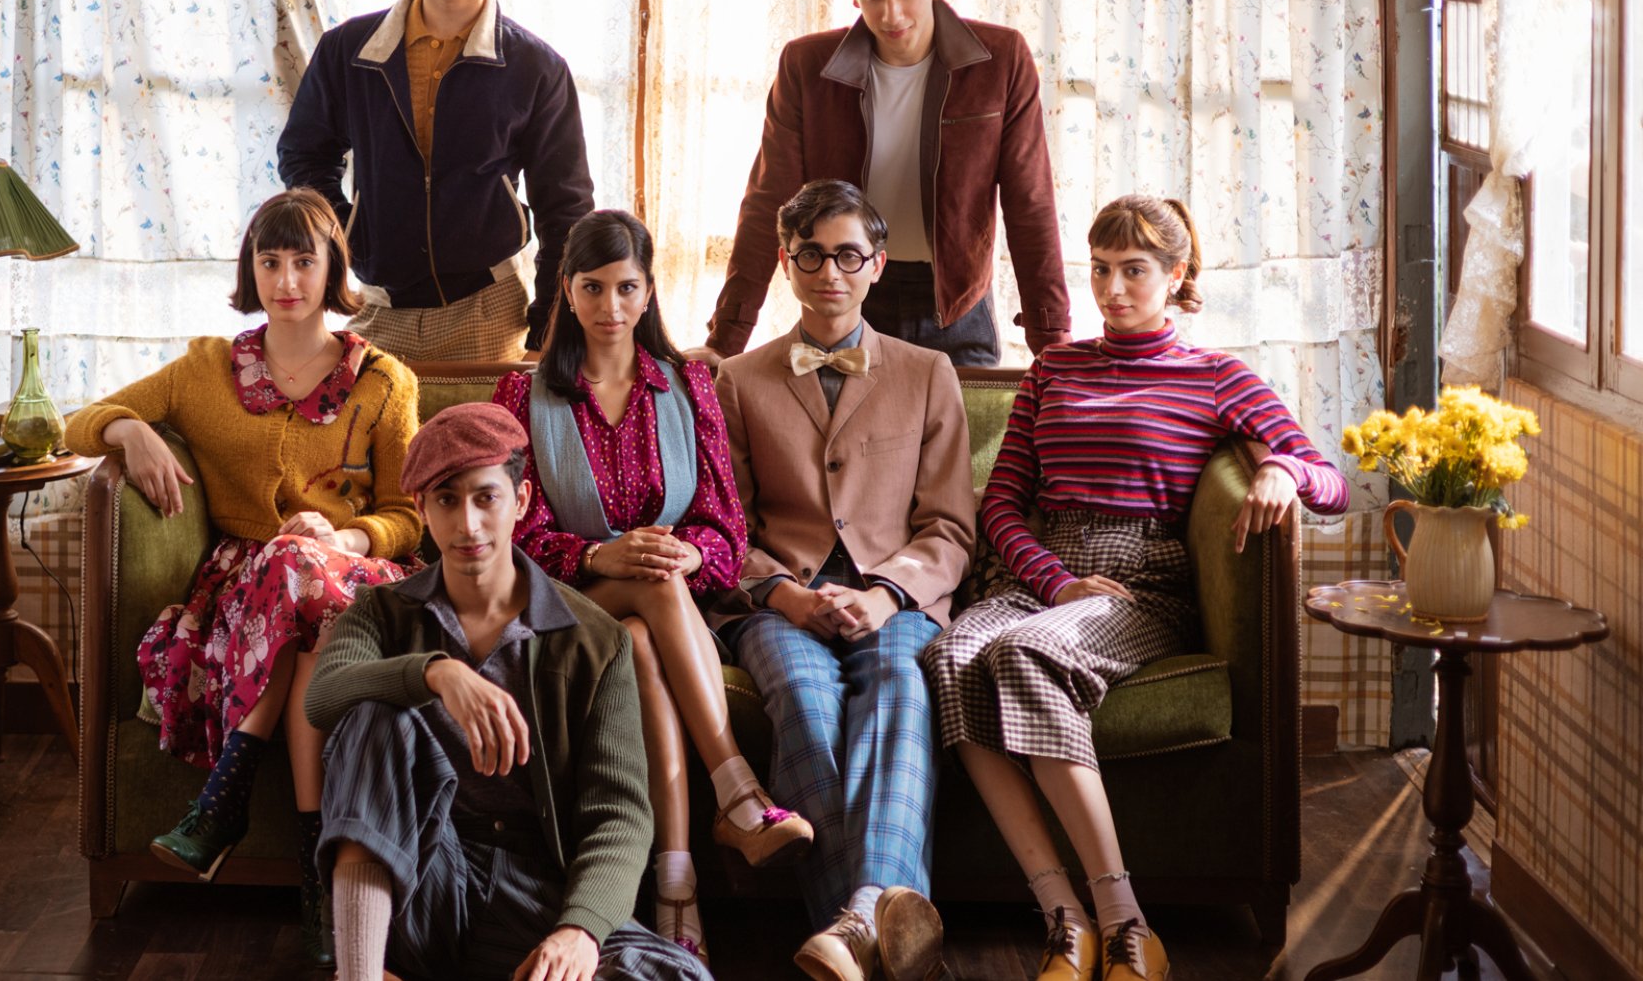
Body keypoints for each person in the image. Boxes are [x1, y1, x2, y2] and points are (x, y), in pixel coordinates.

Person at [921, 194, 1350, 981]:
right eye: (1102, 270)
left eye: (1134, 271)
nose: (1112, 289)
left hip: (1141, 583)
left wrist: (1281, 468)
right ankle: (1064, 917)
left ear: (1176, 275)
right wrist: (1053, 580)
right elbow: (1003, 504)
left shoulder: (1217, 375)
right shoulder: (1055, 367)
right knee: (949, 657)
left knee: (1023, 653)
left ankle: (1127, 923)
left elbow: (1332, 481)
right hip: (1046, 573)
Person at [62, 189, 422, 966]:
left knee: (298, 567)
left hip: (353, 574)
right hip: (254, 595)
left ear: (333, 270)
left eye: (303, 260)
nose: (286, 278)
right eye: (270, 260)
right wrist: (130, 430)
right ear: (249, 269)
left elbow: (409, 514)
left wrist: (346, 530)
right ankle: (314, 871)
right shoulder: (203, 371)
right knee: (295, 609)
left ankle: (223, 799)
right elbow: (76, 420)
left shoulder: (384, 381)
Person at [491, 210, 814, 963]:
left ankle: (677, 883)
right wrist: (601, 556)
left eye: (626, 287)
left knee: (646, 620)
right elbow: (509, 537)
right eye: (592, 287)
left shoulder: (688, 384)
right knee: (647, 587)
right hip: (561, 601)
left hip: (659, 611)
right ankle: (736, 790)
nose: (609, 306)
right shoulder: (523, 396)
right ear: (567, 293)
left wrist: (687, 557)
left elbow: (727, 532)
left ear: (647, 294)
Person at [303, 403, 711, 981]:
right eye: (446, 499)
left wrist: (580, 932)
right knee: (374, 714)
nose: (468, 524)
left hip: (533, 888)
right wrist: (435, 673)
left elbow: (618, 814)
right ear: (421, 509)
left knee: (677, 975)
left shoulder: (595, 639)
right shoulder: (381, 613)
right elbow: (323, 698)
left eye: (485, 497)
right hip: (415, 878)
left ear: (519, 502)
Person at [713, 180, 975, 981]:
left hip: (892, 600)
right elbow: (728, 530)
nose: (831, 271)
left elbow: (949, 526)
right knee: (803, 699)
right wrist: (784, 594)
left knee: (898, 686)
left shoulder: (929, 372)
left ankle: (853, 922)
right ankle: (876, 918)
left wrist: (886, 592)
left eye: (848, 255)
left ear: (876, 264)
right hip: (778, 601)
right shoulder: (739, 379)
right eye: (812, 255)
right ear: (787, 265)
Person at [705, 0, 1071, 367]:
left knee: (962, 441)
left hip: (956, 305)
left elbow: (1030, 205)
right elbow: (767, 202)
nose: (890, 12)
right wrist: (726, 339)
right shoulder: (807, 66)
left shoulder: (999, 60)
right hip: (847, 296)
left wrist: (1054, 343)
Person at [276, 0, 595, 363]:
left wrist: (548, 327)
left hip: (491, 313)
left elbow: (567, 209)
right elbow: (302, 154)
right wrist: (346, 231)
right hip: (380, 309)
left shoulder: (537, 67)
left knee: (488, 443)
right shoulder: (348, 51)